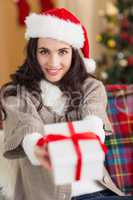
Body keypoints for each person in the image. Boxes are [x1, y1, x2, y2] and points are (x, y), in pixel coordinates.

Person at [0, 8, 132, 200]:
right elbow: (26, 126)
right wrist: (38, 147)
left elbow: (93, 116)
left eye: (62, 52)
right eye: (44, 51)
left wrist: (92, 133)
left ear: (74, 54)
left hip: (102, 192)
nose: (53, 62)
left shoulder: (91, 86)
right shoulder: (15, 93)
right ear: (33, 53)